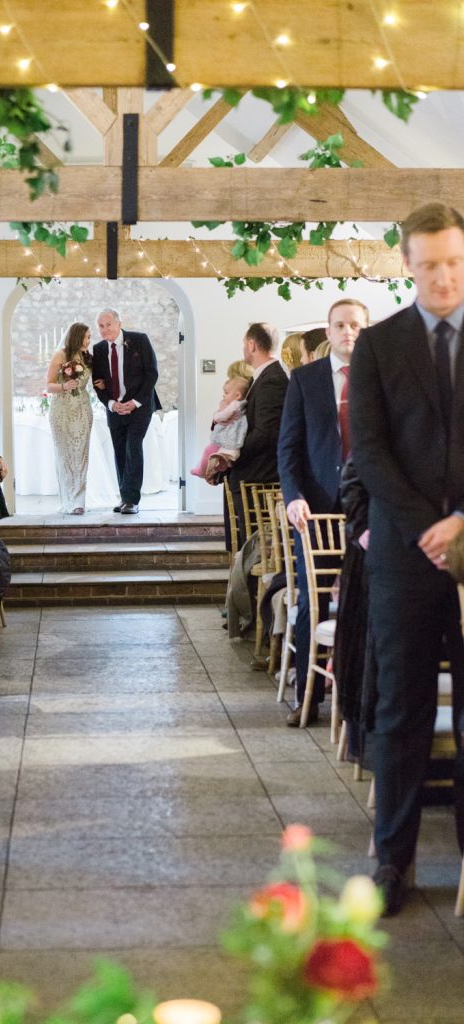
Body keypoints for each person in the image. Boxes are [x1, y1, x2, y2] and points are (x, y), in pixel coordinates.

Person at [351, 201, 464, 916]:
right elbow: (370, 451)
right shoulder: (378, 344)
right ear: (405, 264)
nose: (443, 277)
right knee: (401, 712)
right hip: (402, 553)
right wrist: (432, 527)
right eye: (428, 265)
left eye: (452, 262)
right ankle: (392, 862)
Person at [277, 298, 369, 727]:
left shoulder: (380, 377)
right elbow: (289, 448)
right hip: (313, 509)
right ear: (328, 332)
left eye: (355, 325)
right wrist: (293, 496)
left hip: (367, 509)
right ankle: (307, 699)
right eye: (340, 325)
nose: (348, 332)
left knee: (365, 601)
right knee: (312, 602)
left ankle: (357, 698)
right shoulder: (305, 378)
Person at [92, 308, 160, 515]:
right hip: (115, 409)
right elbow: (98, 383)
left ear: (119, 323)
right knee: (119, 451)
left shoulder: (139, 340)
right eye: (101, 326)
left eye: (108, 325)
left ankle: (132, 499)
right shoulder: (99, 349)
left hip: (140, 407)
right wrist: (112, 404)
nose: (105, 330)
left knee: (133, 447)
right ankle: (124, 497)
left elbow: (152, 373)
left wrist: (135, 402)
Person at [227, 322, 288, 549]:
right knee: (246, 546)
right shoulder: (261, 377)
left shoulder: (272, 379)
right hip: (251, 474)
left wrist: (232, 453)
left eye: (244, 343)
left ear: (252, 345)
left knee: (255, 547)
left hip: (259, 475)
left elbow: (266, 432)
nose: (243, 348)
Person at [45, 322, 94, 514]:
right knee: (64, 455)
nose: (89, 341)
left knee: (81, 454)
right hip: (61, 410)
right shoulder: (61, 355)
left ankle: (79, 501)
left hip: (81, 409)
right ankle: (67, 499)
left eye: (90, 337)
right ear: (77, 337)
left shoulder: (88, 358)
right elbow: (48, 386)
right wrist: (65, 386)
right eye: (87, 337)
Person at [191, 375, 249, 482]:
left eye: (226, 393)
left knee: (209, 450)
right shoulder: (239, 405)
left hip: (227, 436)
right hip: (229, 436)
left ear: (237, 395)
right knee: (222, 455)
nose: (224, 395)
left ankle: (202, 471)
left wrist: (216, 416)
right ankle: (219, 466)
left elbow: (221, 416)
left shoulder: (235, 405)